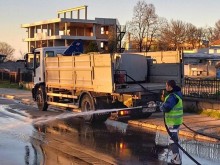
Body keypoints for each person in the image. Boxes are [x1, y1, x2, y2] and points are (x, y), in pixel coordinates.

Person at [160, 80, 183, 165]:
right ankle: (177, 160)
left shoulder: (173, 96)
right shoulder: (176, 94)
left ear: (170, 87)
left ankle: (176, 161)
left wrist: (161, 106)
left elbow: (167, 107)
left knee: (173, 142)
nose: (165, 87)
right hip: (176, 122)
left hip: (173, 122)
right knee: (175, 141)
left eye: (166, 86)